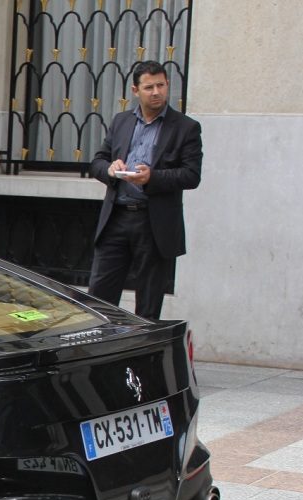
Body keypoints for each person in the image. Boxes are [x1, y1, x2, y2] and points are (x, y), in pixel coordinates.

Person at [88, 60, 202, 320]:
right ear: (135, 91)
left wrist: (152, 178)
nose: (156, 92)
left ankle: (141, 355)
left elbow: (191, 175)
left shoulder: (185, 127)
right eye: (149, 87)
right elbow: (97, 161)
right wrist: (109, 169)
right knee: (99, 299)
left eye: (161, 85)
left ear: (168, 86)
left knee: (148, 305)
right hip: (116, 218)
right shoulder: (122, 121)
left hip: (154, 223)